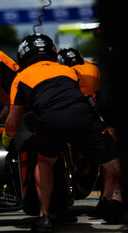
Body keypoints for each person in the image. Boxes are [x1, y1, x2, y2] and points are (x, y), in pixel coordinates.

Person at [1, 34, 121, 232]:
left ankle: (44, 217)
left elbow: (13, 123)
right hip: (83, 118)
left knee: (45, 163)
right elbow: (86, 96)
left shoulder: (20, 77)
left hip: (50, 122)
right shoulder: (67, 70)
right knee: (114, 162)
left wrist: (6, 141)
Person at [57, 47, 123, 222]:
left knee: (107, 159)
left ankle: (111, 201)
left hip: (102, 116)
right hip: (108, 111)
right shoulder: (93, 66)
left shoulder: (69, 74)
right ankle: (107, 200)